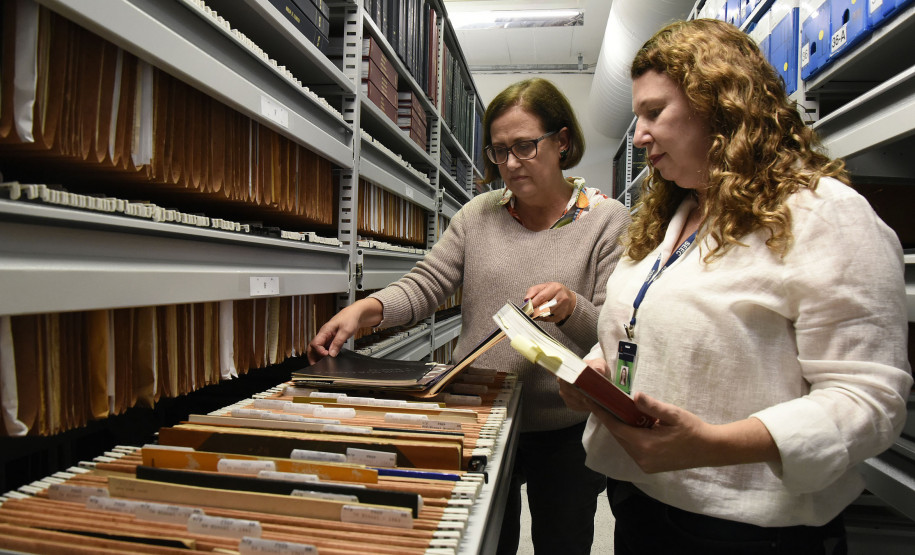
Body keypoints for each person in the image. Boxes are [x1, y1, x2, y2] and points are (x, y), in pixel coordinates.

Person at [559, 18, 913, 554]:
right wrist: (601, 369)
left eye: (655, 112)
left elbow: (869, 402)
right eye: (637, 116)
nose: (639, 136)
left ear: (719, 104)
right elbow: (646, 325)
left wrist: (711, 445)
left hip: (752, 532)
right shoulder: (673, 217)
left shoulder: (824, 217)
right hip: (641, 501)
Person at [308, 77, 631, 554]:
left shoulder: (608, 221)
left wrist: (570, 308)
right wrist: (367, 309)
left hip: (566, 426)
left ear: (562, 142)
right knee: (480, 542)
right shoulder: (478, 214)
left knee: (563, 542)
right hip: (479, 415)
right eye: (500, 151)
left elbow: (611, 332)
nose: (511, 164)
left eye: (525, 146)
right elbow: (426, 285)